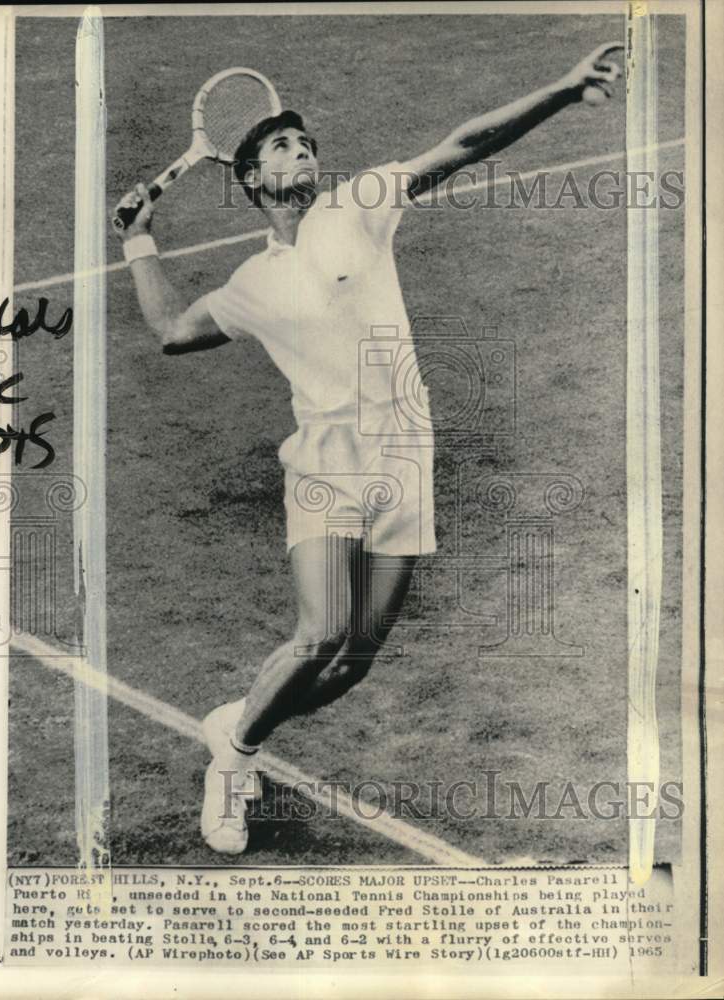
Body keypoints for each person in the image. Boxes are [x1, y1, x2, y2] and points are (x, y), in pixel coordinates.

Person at [114, 43, 623, 853]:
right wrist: (139, 243)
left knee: (354, 660)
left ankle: (240, 722)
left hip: (402, 457)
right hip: (325, 465)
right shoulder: (250, 285)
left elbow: (462, 145)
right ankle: (235, 760)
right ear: (249, 180)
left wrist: (562, 90)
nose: (299, 151)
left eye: (304, 141)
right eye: (278, 145)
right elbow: (174, 331)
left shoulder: (358, 205)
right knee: (319, 634)